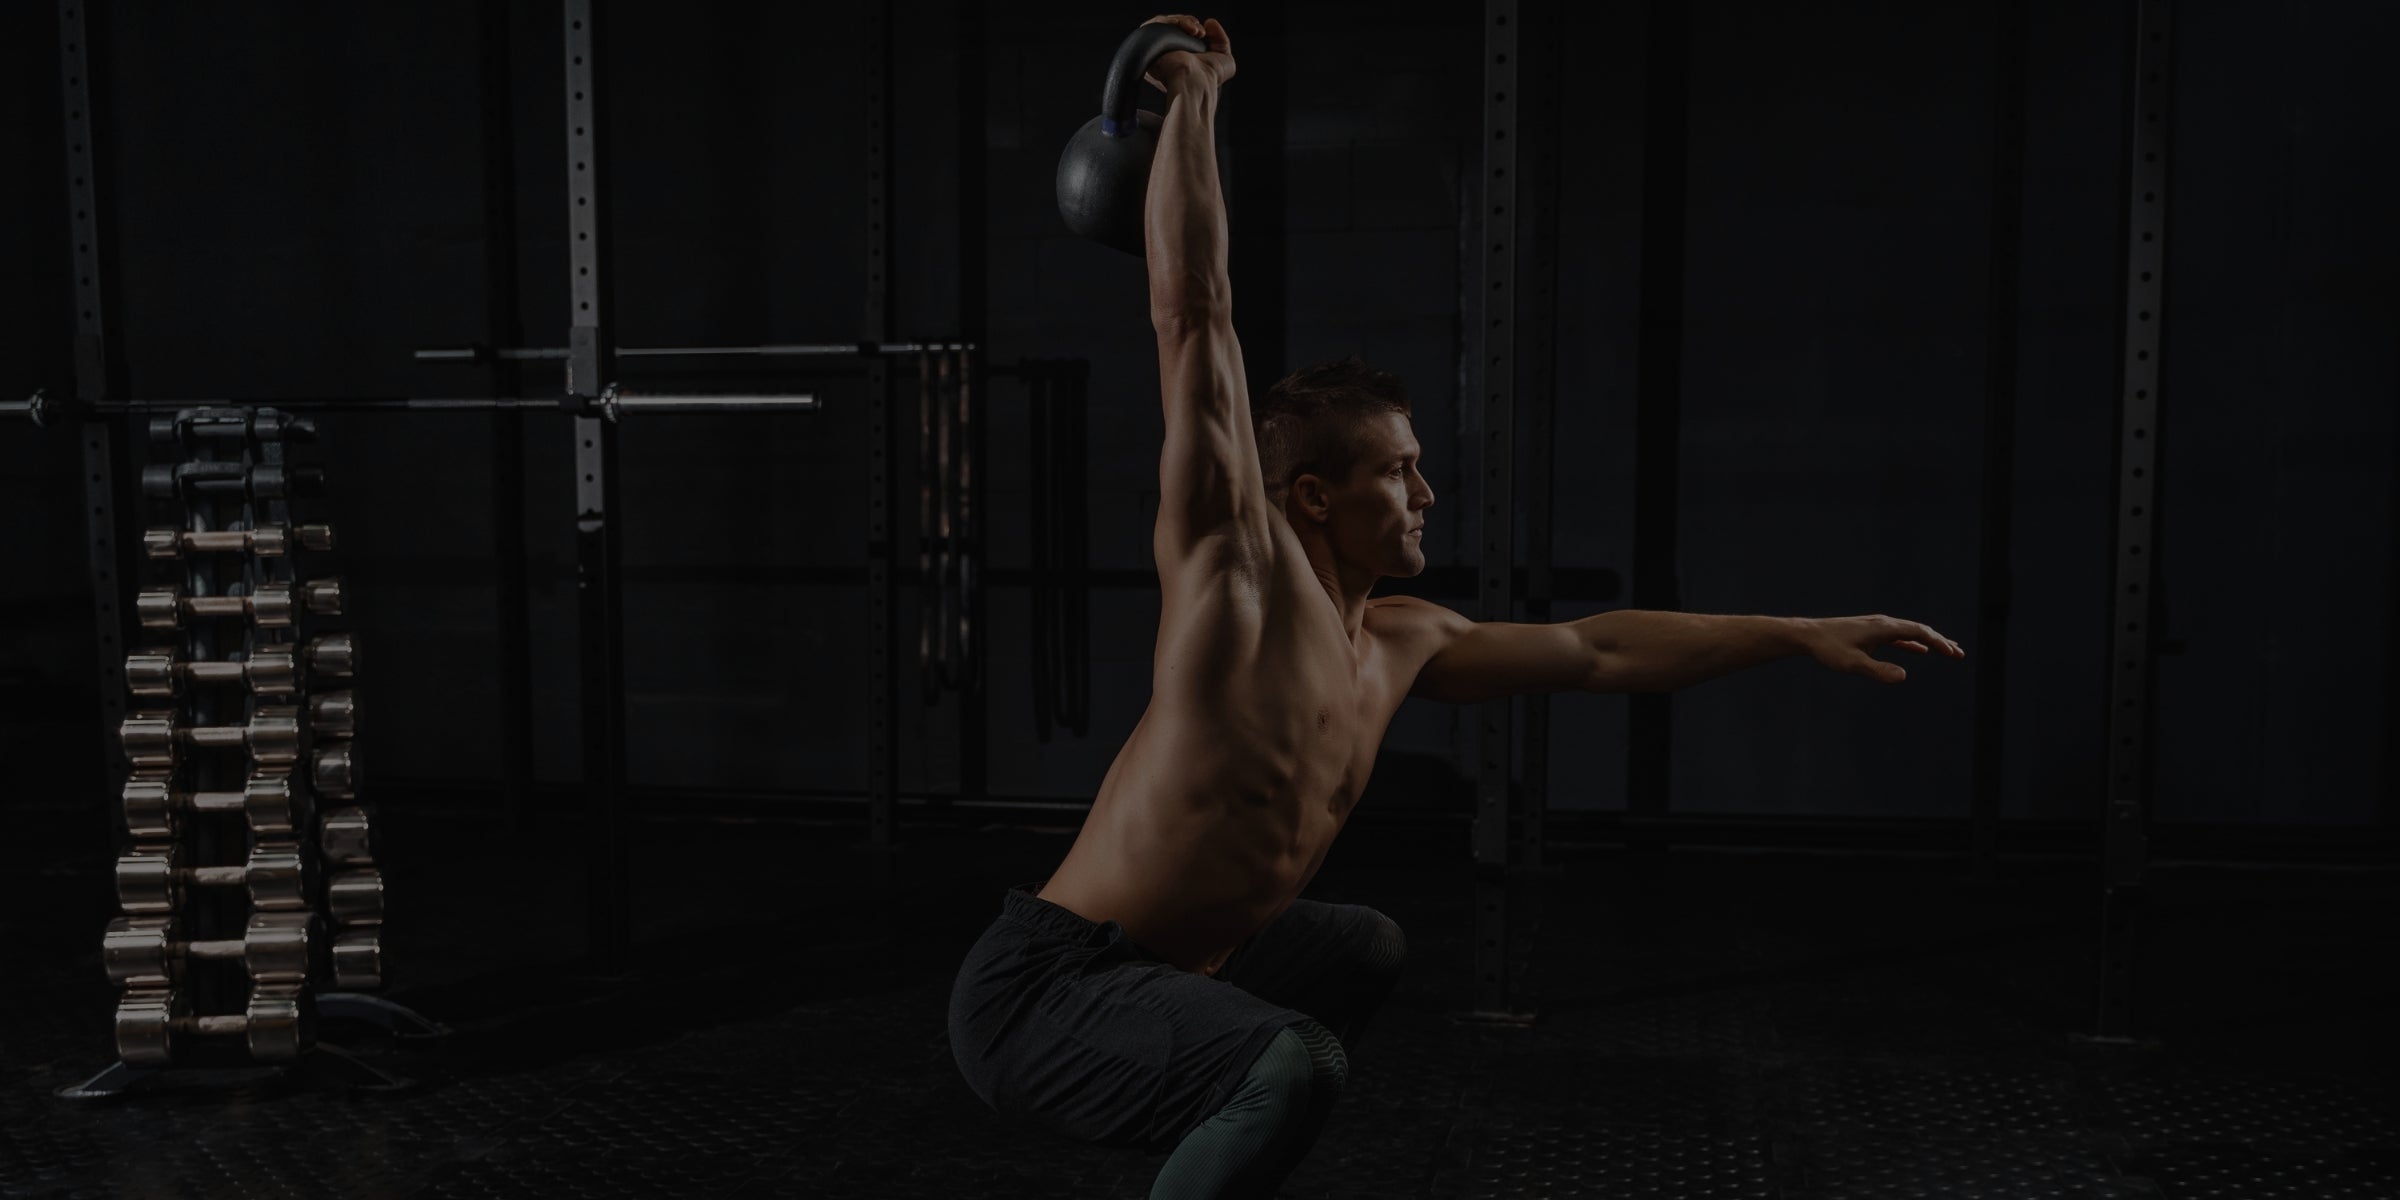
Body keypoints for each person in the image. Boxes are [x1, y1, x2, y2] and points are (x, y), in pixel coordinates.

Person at [948, 14, 1966, 1196]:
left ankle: (1203, 1107)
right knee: (1296, 1062)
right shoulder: (1235, 583)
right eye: (1398, 472)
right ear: (1314, 497)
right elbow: (1193, 319)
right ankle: (1221, 1085)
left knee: (1362, 948)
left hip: (1171, 966)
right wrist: (1194, 96)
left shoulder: (1399, 638)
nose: (1428, 492)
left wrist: (1796, 633)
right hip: (1049, 991)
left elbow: (1600, 648)